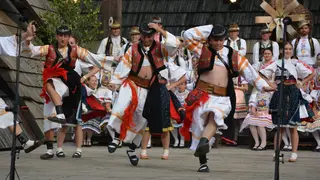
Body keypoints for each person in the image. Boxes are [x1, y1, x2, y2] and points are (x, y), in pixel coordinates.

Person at [180, 24, 275, 172]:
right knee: (199, 128)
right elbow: (188, 35)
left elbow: (250, 72)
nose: (218, 42)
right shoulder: (201, 50)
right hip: (203, 95)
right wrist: (212, 28)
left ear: (224, 39)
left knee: (215, 116)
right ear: (210, 39)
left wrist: (264, 86)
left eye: (221, 39)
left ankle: (205, 142)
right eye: (215, 39)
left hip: (222, 97)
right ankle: (203, 160)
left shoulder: (234, 55)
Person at [24, 25, 114, 159]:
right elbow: (31, 51)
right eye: (60, 35)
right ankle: (50, 150)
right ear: (56, 36)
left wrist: (114, 60)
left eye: (66, 36)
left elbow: (93, 57)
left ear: (69, 37)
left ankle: (63, 119)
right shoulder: (49, 48)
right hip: (52, 87)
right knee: (48, 116)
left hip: (67, 85)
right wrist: (28, 40)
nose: (63, 38)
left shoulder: (75, 50)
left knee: (73, 119)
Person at [103, 22, 179, 166]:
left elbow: (175, 45)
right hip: (131, 84)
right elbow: (123, 66)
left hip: (149, 89)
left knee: (143, 119)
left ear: (153, 35)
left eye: (150, 36)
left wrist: (160, 30)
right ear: (141, 36)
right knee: (122, 105)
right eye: (144, 36)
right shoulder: (133, 49)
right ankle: (116, 138)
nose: (147, 39)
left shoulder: (161, 48)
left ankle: (132, 149)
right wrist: (115, 82)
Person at [260, 42, 315, 162]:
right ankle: (276, 153)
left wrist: (303, 81)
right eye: (285, 49)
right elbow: (262, 72)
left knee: (293, 126)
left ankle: (294, 153)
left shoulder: (296, 63)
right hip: (280, 92)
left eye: (290, 49)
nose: (288, 51)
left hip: (293, 92)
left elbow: (312, 73)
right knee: (280, 126)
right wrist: (270, 84)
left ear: (292, 50)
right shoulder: (277, 63)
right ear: (281, 50)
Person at [240, 49, 275, 150]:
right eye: (265, 53)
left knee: (260, 121)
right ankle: (256, 142)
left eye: (269, 53)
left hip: (269, 91)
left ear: (272, 55)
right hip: (258, 90)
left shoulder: (274, 65)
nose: (267, 55)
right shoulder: (258, 65)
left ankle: (263, 143)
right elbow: (250, 72)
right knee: (251, 119)